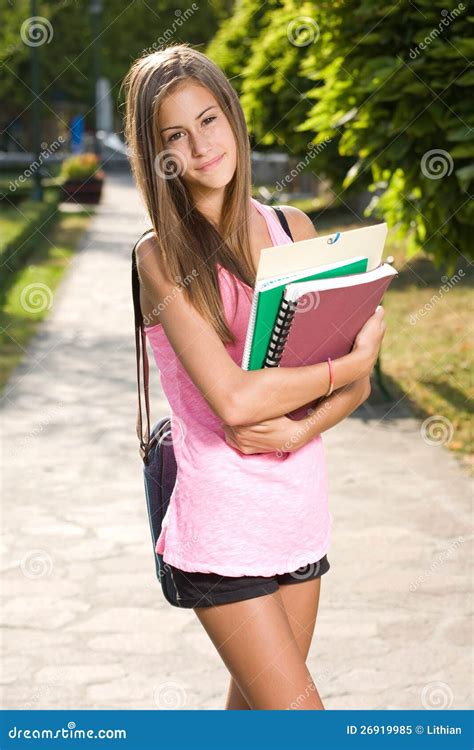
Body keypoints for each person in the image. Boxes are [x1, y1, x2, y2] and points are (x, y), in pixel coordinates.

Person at [122, 43, 386, 710]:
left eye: (209, 120)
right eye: (175, 135)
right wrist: (351, 364)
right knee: (300, 721)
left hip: (297, 514)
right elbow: (238, 401)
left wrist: (301, 428)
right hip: (220, 530)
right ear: (159, 156)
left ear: (233, 117)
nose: (201, 145)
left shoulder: (293, 228)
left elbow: (354, 391)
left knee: (254, 721)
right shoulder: (160, 257)